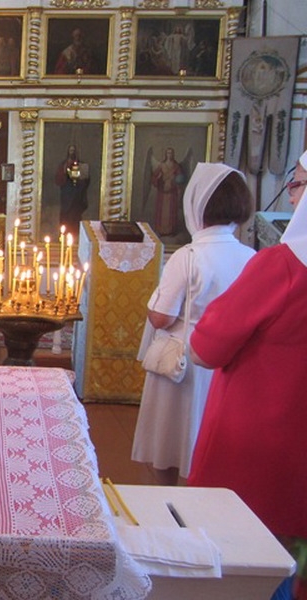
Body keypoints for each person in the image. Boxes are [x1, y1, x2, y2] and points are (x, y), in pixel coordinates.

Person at [187, 150, 307, 539]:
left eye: (296, 184)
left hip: (263, 442)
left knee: (239, 547)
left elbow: (205, 349)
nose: (291, 196)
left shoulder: (284, 267)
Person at [131, 163, 255, 486]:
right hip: (229, 359)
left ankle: (168, 501)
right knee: (210, 436)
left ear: (197, 203)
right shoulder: (251, 256)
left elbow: (161, 317)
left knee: (170, 441)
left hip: (184, 360)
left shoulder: (188, 256)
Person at [150, 147, 186, 237]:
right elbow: (154, 176)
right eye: (168, 153)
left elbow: (181, 178)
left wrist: (176, 180)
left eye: (171, 153)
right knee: (162, 211)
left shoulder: (176, 166)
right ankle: (161, 230)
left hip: (172, 192)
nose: (169, 155)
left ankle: (170, 231)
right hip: (162, 192)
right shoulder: (162, 165)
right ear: (166, 154)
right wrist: (159, 180)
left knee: (171, 211)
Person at [54, 144, 90, 233]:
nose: (72, 152)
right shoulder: (63, 165)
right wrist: (65, 171)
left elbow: (86, 180)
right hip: (66, 194)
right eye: (71, 151)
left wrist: (81, 178)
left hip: (77, 195)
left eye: (73, 151)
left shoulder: (81, 165)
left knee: (75, 216)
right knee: (65, 217)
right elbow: (58, 179)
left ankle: (75, 234)